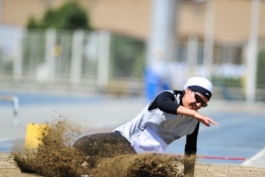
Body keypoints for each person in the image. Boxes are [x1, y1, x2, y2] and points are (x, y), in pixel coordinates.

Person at [73, 76, 218, 176]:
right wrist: (194, 114)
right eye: (198, 98)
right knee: (80, 145)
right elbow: (164, 105)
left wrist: (188, 175)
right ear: (187, 90)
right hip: (123, 139)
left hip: (144, 160)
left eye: (203, 103)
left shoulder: (193, 122)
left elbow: (190, 150)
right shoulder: (167, 96)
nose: (198, 105)